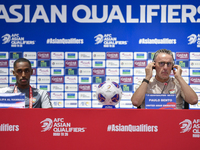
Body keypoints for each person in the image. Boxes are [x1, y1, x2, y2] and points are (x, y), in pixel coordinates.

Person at [131, 49, 198, 109]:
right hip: (150, 121)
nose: (165, 67)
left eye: (169, 64)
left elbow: (193, 101)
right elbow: (136, 102)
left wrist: (179, 77)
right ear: (154, 65)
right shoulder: (144, 83)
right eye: (161, 63)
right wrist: (147, 77)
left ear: (172, 66)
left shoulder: (178, 83)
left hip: (174, 121)